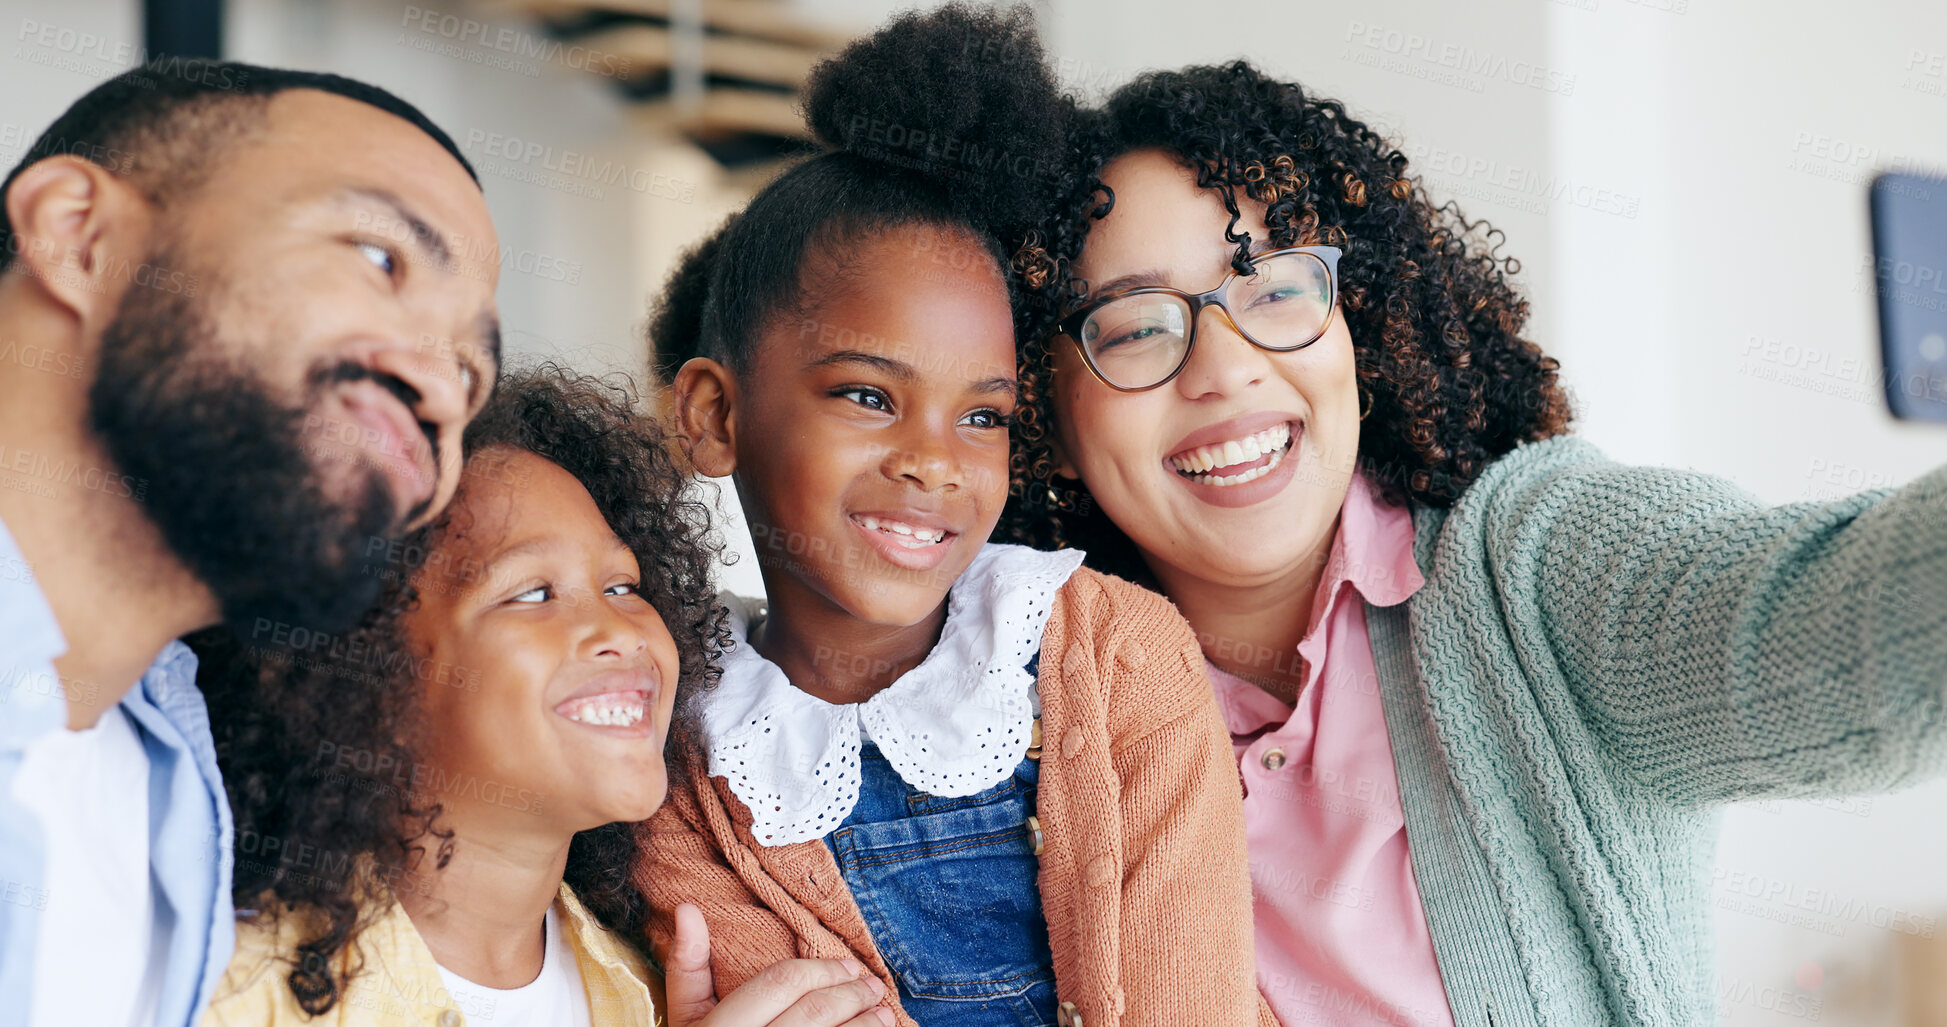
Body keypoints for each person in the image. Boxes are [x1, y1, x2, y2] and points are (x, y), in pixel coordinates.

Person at [996, 58, 1947, 1027]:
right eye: (1135, 328)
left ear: (1356, 333)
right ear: (1044, 417)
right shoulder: (1010, 708)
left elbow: (1857, 626)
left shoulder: (1534, 576)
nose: (1226, 369)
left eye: (1274, 288)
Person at [640, 8, 1265, 1027]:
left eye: (983, 414)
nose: (935, 461)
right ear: (715, 415)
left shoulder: (1117, 655)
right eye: (867, 395)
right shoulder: (682, 754)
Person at [0, 58, 499, 1027]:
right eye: (383, 259)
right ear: (79, 234)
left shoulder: (171, 791)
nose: (442, 394)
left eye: (472, 379)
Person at [197, 366, 898, 1027]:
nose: (617, 629)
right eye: (532, 593)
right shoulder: (229, 988)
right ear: (356, 669)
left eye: (623, 586)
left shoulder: (649, 985)